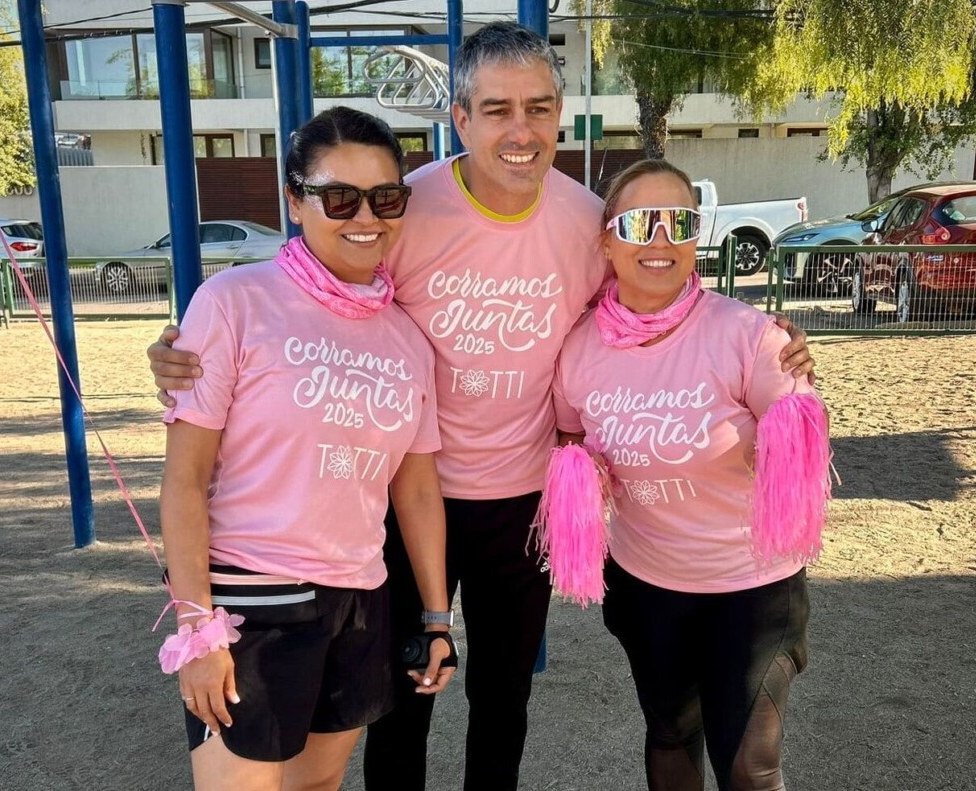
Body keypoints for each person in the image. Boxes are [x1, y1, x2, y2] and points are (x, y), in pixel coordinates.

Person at [148, 23, 815, 791]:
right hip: (405, 494)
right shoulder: (404, 205)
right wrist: (182, 353)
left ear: (561, 112)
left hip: (521, 499)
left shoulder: (585, 222)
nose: (520, 131)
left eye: (537, 107)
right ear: (459, 119)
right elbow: (313, 289)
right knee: (398, 701)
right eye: (496, 110)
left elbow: (654, 297)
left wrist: (767, 341)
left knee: (504, 697)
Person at [158, 106, 454, 791]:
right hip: (250, 599)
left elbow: (414, 489)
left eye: (385, 197)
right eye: (338, 196)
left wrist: (437, 617)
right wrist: (198, 627)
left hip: (359, 601)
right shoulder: (233, 301)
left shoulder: (409, 338)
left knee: (317, 786)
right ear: (296, 200)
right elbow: (184, 480)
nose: (365, 216)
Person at [551, 158, 823, 791]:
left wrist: (799, 403)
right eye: (641, 223)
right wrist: (580, 478)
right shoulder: (578, 347)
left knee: (748, 768)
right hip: (648, 587)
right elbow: (571, 437)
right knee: (670, 734)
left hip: (752, 589)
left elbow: (796, 421)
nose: (662, 240)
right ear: (607, 241)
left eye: (680, 221)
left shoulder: (750, 335)